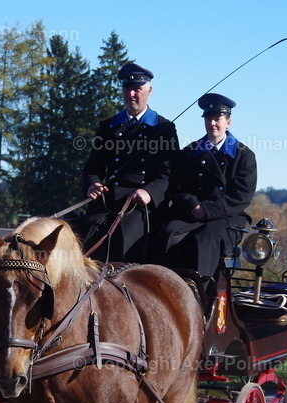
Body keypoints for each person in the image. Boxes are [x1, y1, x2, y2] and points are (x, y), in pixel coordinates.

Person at [80, 62, 179, 263]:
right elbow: (93, 166)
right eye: (127, 89)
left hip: (141, 206)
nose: (131, 94)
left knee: (125, 240)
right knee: (85, 235)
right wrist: (93, 183)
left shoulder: (164, 128)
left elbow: (169, 174)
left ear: (149, 91)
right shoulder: (108, 126)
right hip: (109, 200)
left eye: (137, 89)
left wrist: (149, 192)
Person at [157, 93, 257, 279]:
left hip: (226, 216)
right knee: (168, 232)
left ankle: (203, 293)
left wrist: (207, 210)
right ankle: (167, 289)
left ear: (228, 122)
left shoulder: (244, 155)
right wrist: (194, 206)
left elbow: (241, 196)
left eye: (217, 119)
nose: (212, 124)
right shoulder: (190, 152)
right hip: (192, 212)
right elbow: (177, 188)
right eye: (208, 119)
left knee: (206, 239)